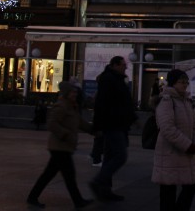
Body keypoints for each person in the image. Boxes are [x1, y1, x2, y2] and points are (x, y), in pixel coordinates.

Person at [27, 81, 94, 209]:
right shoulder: (61, 106)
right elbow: (52, 123)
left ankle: (32, 197)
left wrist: (93, 130)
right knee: (69, 175)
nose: (75, 94)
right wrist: (65, 134)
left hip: (63, 147)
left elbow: (80, 122)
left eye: (75, 92)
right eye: (72, 92)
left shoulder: (71, 106)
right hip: (59, 147)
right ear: (67, 93)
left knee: (49, 174)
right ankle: (78, 201)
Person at [152, 69, 195, 211]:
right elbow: (167, 128)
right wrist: (188, 145)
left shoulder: (186, 101)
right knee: (168, 193)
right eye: (181, 82)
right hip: (170, 154)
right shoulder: (166, 101)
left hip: (187, 153)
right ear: (173, 83)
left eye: (186, 82)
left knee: (191, 186)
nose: (185, 85)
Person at [90, 56, 136, 202]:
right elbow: (101, 104)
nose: (125, 67)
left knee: (110, 156)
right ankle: (99, 182)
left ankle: (105, 189)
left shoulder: (116, 78)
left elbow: (124, 101)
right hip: (113, 124)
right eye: (123, 65)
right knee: (120, 156)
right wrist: (97, 126)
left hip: (117, 123)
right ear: (115, 65)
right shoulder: (109, 80)